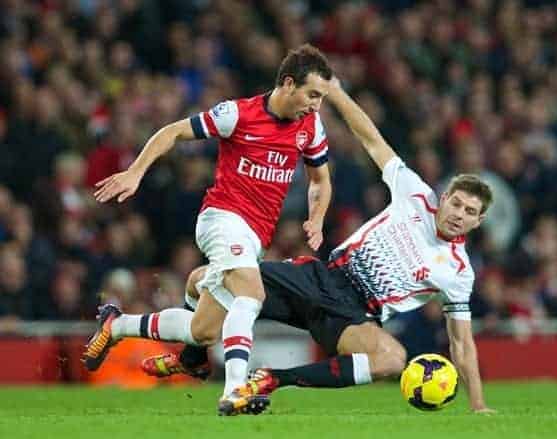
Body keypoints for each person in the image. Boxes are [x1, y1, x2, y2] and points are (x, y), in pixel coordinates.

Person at [86, 78, 496, 415]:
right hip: (321, 276)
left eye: (469, 211)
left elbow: (462, 342)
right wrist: (335, 93)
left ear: (477, 222)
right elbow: (372, 139)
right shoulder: (414, 194)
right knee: (199, 287)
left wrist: (477, 405)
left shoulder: (458, 273)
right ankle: (182, 351)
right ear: (444, 198)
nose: (458, 212)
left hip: (354, 314)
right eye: (456, 202)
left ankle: (271, 379)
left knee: (391, 357)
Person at [82, 44, 333, 416]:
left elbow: (320, 181)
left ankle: (116, 325)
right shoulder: (237, 114)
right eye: (312, 95)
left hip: (255, 238)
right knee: (252, 292)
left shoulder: (309, 127)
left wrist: (317, 216)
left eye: (322, 98)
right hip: (222, 218)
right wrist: (136, 171)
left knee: (203, 331)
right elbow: (172, 132)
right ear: (288, 83)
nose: (316, 105)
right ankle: (235, 391)